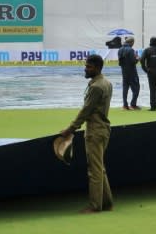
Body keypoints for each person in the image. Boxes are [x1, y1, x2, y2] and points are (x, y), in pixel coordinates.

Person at [59, 55, 113, 213]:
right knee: (100, 167)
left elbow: (86, 111)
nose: (85, 68)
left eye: (88, 66)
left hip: (95, 131)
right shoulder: (107, 83)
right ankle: (107, 203)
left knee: (94, 170)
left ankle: (95, 206)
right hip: (104, 129)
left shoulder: (96, 87)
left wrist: (70, 129)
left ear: (97, 68)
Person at [117, 36, 140, 110]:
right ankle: (133, 104)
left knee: (125, 88)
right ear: (131, 42)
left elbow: (120, 62)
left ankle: (125, 105)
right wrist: (137, 59)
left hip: (124, 72)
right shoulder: (131, 50)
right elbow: (133, 62)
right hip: (132, 72)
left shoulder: (120, 50)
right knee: (136, 88)